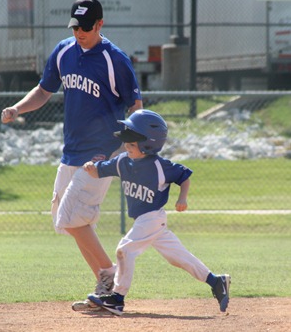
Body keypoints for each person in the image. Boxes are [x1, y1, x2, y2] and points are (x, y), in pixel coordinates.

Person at [1, 0, 143, 303]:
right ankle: (105, 281)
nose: (80, 32)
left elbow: (136, 106)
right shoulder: (64, 51)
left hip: (101, 153)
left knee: (71, 217)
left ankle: (110, 275)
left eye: (86, 27)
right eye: (76, 26)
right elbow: (43, 90)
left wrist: (128, 146)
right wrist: (18, 108)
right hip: (71, 152)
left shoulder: (114, 59)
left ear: (100, 25)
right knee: (64, 219)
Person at [80, 109, 231, 316]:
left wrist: (182, 198)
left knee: (124, 250)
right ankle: (216, 281)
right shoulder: (123, 161)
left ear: (148, 145)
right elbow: (100, 169)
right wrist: (91, 167)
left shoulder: (161, 166)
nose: (127, 146)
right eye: (127, 143)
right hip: (147, 222)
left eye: (132, 144)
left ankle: (117, 298)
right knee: (177, 257)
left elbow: (184, 176)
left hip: (152, 217)